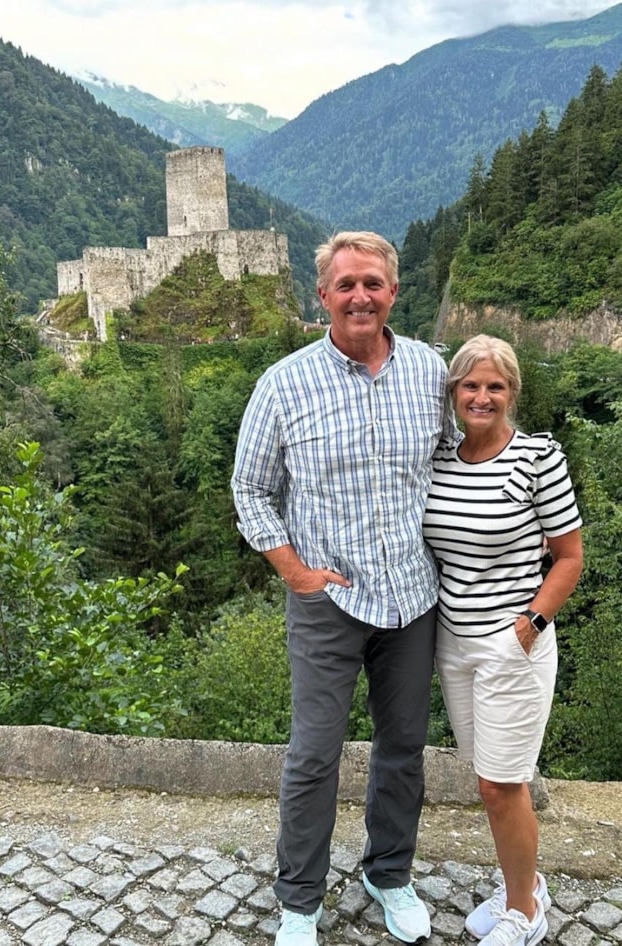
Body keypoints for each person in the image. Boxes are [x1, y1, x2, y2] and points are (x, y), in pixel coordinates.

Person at [231, 231, 459, 946]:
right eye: (346, 284)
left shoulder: (429, 370)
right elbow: (250, 489)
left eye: (373, 283)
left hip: (413, 596)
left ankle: (389, 874)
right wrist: (294, 571)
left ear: (394, 292)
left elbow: (451, 459)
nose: (360, 296)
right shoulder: (284, 383)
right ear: (323, 294)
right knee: (313, 755)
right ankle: (299, 901)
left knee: (404, 748)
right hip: (327, 601)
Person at [422, 335, 583, 946]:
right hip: (454, 643)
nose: (481, 397)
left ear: (512, 391)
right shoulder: (440, 455)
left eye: (494, 386)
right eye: (470, 385)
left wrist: (532, 623)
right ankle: (525, 884)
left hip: (512, 645)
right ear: (454, 391)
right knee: (487, 780)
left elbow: (569, 557)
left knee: (502, 783)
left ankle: (525, 911)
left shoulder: (536, 459)